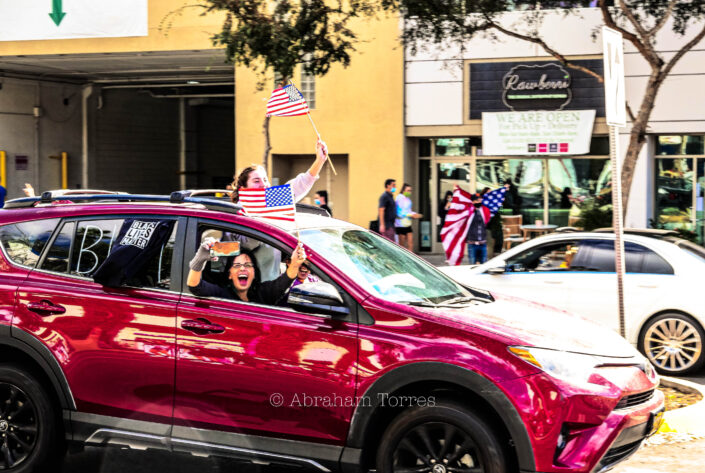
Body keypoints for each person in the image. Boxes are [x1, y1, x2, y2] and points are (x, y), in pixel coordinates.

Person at [187, 238, 307, 305]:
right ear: (229, 274)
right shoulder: (222, 294)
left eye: (248, 265)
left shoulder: (263, 293)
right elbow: (195, 286)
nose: (243, 268)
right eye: (237, 265)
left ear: (254, 273)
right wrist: (199, 260)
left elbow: (284, 281)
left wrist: (295, 263)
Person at [231, 139, 328, 204]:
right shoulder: (236, 213)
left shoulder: (271, 200)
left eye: (265, 180)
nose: (263, 184)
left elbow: (301, 184)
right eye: (256, 181)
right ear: (243, 188)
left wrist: (320, 160)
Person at [394, 183, 422, 252]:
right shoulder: (399, 198)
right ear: (403, 190)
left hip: (407, 224)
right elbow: (399, 212)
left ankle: (411, 259)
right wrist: (410, 215)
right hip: (400, 224)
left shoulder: (408, 199)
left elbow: (409, 210)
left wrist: (415, 214)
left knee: (410, 242)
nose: (409, 192)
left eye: (410, 190)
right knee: (401, 245)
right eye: (408, 190)